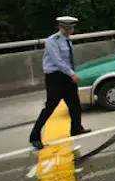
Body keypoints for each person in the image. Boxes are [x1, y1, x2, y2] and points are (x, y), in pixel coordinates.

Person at [29, 16, 91, 149]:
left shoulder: (67, 40)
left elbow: (68, 60)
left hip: (67, 77)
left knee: (75, 105)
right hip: (55, 78)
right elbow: (57, 61)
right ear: (63, 27)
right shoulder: (52, 41)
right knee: (50, 107)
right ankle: (34, 136)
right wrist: (72, 74)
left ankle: (76, 128)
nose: (72, 29)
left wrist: (70, 74)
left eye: (72, 27)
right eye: (70, 27)